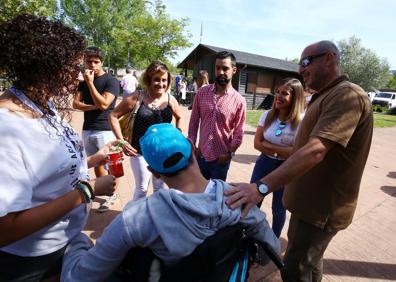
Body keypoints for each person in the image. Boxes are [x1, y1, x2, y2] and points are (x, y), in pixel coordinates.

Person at [225, 40, 373, 281]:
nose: (301, 70)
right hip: (308, 207)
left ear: (328, 58)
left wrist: (262, 187)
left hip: (320, 211)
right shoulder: (323, 97)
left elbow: (315, 150)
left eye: (306, 62)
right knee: (311, 266)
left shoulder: (347, 95)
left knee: (294, 270)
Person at [60, 123, 279, 282]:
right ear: (192, 147)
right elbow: (271, 249)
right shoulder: (239, 198)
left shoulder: (137, 218)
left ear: (153, 172)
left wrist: (76, 240)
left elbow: (78, 277)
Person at [0, 14, 116, 281]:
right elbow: (5, 228)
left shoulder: (42, 104)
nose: (79, 76)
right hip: (29, 262)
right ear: (46, 68)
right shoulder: (7, 127)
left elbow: (43, 172)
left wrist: (93, 160)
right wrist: (87, 191)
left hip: (60, 245)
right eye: (74, 67)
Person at [108, 60, 182, 200]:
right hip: (140, 152)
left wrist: (177, 134)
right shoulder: (137, 97)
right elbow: (113, 116)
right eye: (156, 79)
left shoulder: (170, 99)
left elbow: (179, 117)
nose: (161, 84)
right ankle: (134, 219)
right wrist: (121, 141)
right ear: (149, 79)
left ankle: (156, 218)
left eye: (164, 80)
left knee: (161, 189)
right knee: (142, 188)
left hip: (163, 153)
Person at [250, 77, 305, 238]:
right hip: (263, 163)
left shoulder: (301, 122)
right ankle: (249, 232)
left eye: (285, 94)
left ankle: (273, 240)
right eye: (277, 92)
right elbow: (256, 144)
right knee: (253, 200)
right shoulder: (267, 115)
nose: (279, 97)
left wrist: (270, 146)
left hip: (286, 168)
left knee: (279, 208)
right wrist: (282, 150)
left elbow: (296, 153)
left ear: (295, 98)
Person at [73, 46, 120, 212]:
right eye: (89, 61)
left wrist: (91, 84)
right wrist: (95, 106)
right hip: (88, 128)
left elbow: (105, 104)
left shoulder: (111, 81)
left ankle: (112, 195)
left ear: (102, 63)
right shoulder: (82, 82)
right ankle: (104, 191)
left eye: (96, 61)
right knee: (96, 163)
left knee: (112, 164)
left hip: (105, 128)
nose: (92, 65)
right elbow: (76, 104)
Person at [188, 51, 246, 181]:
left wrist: (229, 153)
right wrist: (192, 143)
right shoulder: (202, 93)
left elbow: (239, 131)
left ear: (234, 70)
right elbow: (193, 122)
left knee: (215, 197)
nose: (220, 72)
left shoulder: (239, 101)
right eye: (217, 67)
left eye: (225, 68)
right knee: (198, 195)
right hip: (200, 156)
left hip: (220, 161)